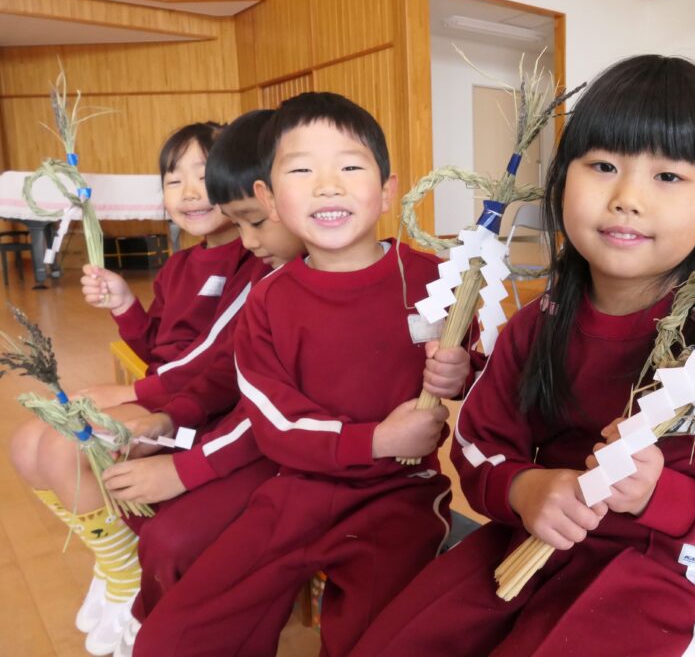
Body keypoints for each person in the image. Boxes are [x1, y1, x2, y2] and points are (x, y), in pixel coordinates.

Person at [350, 55, 695, 657]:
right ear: (562, 178)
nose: (626, 198)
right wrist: (525, 488)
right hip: (542, 533)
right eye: (603, 166)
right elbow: (478, 443)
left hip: (675, 564)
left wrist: (662, 496)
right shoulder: (535, 327)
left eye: (668, 177)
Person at [133, 91, 475, 657]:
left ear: (387, 189)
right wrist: (377, 438)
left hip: (401, 494)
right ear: (270, 198)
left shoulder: (434, 279)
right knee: (177, 637)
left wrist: (460, 370)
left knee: (375, 638)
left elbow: (474, 374)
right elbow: (274, 423)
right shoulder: (266, 300)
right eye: (301, 170)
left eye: (349, 165)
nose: (327, 185)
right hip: (297, 488)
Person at [6, 121, 254, 656]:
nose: (189, 191)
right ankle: (116, 560)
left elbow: (214, 361)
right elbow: (158, 349)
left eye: (204, 174)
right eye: (173, 178)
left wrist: (138, 395)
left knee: (68, 443)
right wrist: (124, 304)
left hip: (201, 410)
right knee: (26, 443)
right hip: (166, 392)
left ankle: (125, 574)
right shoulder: (180, 265)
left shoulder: (251, 260)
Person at [97, 108, 305, 656]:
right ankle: (139, 594)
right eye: (173, 178)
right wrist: (168, 416)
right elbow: (215, 370)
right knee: (131, 487)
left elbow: (235, 382)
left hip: (271, 449)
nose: (247, 239)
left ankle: (155, 610)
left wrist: (158, 415)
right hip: (216, 419)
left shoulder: (267, 275)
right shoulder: (185, 268)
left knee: (172, 533)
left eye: (252, 221)